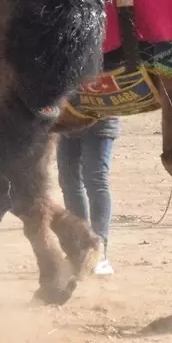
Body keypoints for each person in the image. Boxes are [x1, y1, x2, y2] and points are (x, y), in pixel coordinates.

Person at [56, 117, 121, 275]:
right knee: (69, 182)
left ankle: (99, 252)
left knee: (96, 180)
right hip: (69, 121)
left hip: (100, 120)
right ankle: (80, 248)